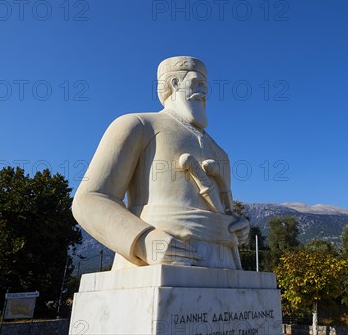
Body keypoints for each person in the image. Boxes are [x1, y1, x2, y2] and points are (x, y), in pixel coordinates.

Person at [72, 56, 250, 270]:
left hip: (224, 265)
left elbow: (224, 209)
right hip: (157, 261)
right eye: (197, 83)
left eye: (205, 86)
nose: (204, 92)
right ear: (174, 83)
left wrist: (238, 226)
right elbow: (90, 199)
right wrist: (144, 240)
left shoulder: (220, 151)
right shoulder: (138, 125)